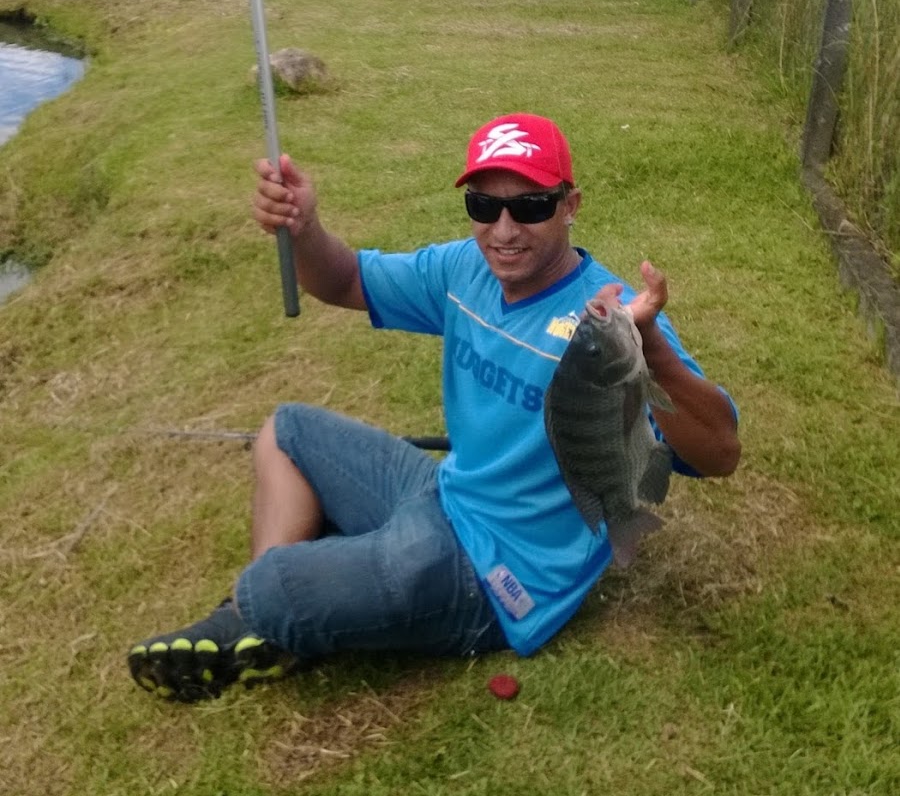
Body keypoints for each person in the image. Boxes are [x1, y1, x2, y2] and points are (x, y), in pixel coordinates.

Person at [127, 113, 741, 703]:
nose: (504, 230)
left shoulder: (610, 320)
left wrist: (651, 351)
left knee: (269, 584)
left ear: (570, 205)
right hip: (443, 493)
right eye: (484, 206)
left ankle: (268, 611)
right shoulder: (464, 269)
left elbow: (719, 454)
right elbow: (344, 281)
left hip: (500, 575)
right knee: (286, 431)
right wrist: (305, 228)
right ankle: (267, 625)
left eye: (530, 207)